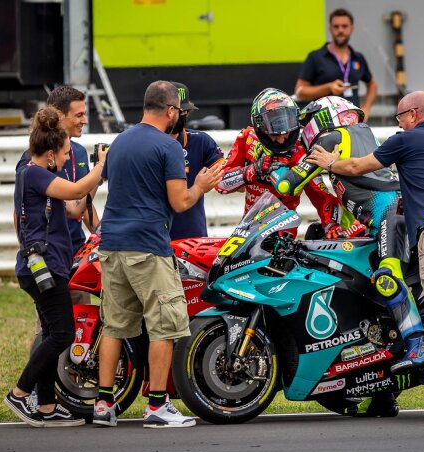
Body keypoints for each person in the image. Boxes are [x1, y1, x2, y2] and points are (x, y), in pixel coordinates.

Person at [306, 90, 424, 421]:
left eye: (400, 117)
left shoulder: (407, 140)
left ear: (413, 115)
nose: (398, 123)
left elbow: (360, 165)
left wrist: (329, 163)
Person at [93, 81, 223, 429]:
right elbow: (180, 202)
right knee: (165, 325)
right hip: (148, 247)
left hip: (111, 246)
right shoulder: (167, 147)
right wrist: (201, 185)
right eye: (178, 112)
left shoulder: (119, 142)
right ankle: (157, 405)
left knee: (115, 326)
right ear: (169, 111)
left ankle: (104, 404)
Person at [5, 106, 106, 427]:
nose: (66, 159)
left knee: (52, 332)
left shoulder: (41, 177)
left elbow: (77, 206)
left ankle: (47, 406)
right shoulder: (34, 173)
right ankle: (20, 393)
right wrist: (103, 167)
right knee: (62, 334)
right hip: (43, 268)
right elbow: (75, 190)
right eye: (63, 154)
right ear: (49, 153)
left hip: (47, 267)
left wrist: (95, 181)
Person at [216, 88, 343, 238]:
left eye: (287, 132)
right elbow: (220, 183)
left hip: (283, 233)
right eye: (275, 134)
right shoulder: (247, 138)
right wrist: (254, 170)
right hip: (248, 228)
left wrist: (331, 224)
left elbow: (322, 196)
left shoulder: (302, 152)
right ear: (260, 127)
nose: (282, 139)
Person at [17, 86, 100, 257]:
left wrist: (100, 235)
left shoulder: (79, 151)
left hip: (76, 247)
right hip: (48, 250)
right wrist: (30, 254)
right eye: (79, 115)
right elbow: (19, 212)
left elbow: (83, 205)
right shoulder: (33, 158)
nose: (84, 120)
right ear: (59, 115)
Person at [295, 8, 378, 121]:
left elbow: (372, 84)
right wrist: (328, 87)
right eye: (336, 26)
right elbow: (300, 92)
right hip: (323, 123)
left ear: (352, 28)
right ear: (330, 29)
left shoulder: (358, 57)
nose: (340, 30)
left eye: (344, 26)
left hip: (353, 122)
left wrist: (366, 108)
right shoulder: (316, 57)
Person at [167, 81, 224, 240]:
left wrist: (246, 173)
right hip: (156, 242)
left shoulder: (201, 141)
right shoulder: (145, 143)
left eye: (185, 111)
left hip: (194, 240)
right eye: (180, 111)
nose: (183, 115)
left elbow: (225, 177)